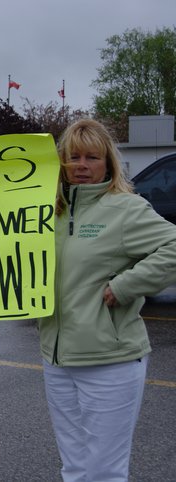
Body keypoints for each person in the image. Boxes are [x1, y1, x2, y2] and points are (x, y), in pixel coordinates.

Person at [38, 118, 176, 482]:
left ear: (108, 164)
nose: (81, 165)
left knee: (104, 471)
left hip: (110, 362)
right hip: (56, 361)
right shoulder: (45, 213)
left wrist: (129, 284)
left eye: (92, 157)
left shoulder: (125, 209)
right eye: (72, 157)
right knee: (75, 467)